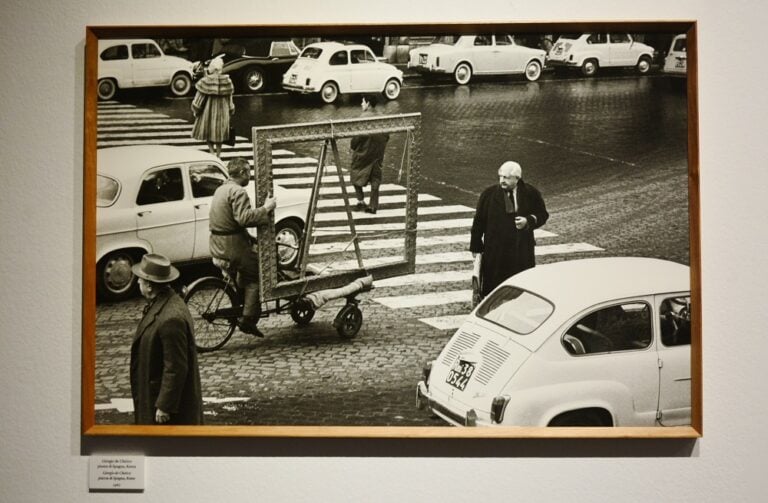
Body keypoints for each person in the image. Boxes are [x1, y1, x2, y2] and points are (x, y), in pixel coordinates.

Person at [129, 253, 203, 425]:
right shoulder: (166, 303)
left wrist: (164, 405)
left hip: (167, 411)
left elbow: (176, 366)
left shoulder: (171, 319)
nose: (138, 282)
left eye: (140, 279)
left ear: (149, 286)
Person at [208, 158, 277, 337]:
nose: (250, 175)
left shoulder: (221, 189)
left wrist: (251, 239)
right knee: (257, 274)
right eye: (248, 171)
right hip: (232, 248)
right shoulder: (238, 191)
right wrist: (266, 208)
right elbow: (243, 219)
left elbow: (229, 223)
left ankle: (243, 304)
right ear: (242, 173)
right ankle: (248, 320)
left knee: (244, 272)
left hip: (218, 245)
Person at [470, 161, 549, 298]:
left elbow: (543, 214)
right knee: (494, 290)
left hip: (521, 252)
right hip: (496, 253)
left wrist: (528, 221)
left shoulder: (530, 193)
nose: (502, 180)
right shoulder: (488, 195)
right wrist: (476, 247)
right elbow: (479, 222)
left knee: (521, 287)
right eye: (500, 176)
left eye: (506, 177)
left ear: (517, 178)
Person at [350, 95, 389, 214]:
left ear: (368, 104)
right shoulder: (382, 117)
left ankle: (360, 201)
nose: (361, 104)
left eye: (363, 102)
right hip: (378, 153)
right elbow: (387, 135)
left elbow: (356, 138)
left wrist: (353, 146)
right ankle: (373, 206)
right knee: (375, 178)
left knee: (355, 174)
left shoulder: (363, 117)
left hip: (364, 153)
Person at [191, 55, 234, 157]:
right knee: (219, 135)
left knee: (208, 133)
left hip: (208, 113)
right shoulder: (227, 82)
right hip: (223, 114)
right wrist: (230, 111)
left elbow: (198, 100)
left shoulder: (206, 82)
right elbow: (230, 101)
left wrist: (196, 110)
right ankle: (218, 154)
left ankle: (212, 153)